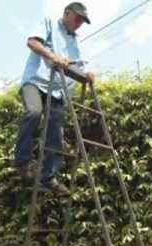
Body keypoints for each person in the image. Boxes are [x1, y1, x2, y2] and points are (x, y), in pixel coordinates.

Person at [14, 2, 95, 196]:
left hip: (57, 92)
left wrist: (87, 77)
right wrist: (53, 56)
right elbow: (32, 42)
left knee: (56, 136)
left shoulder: (74, 42)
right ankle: (22, 162)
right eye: (77, 19)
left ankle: (49, 178)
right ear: (67, 13)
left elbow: (76, 68)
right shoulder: (49, 22)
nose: (79, 24)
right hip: (35, 82)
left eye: (82, 22)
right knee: (34, 112)